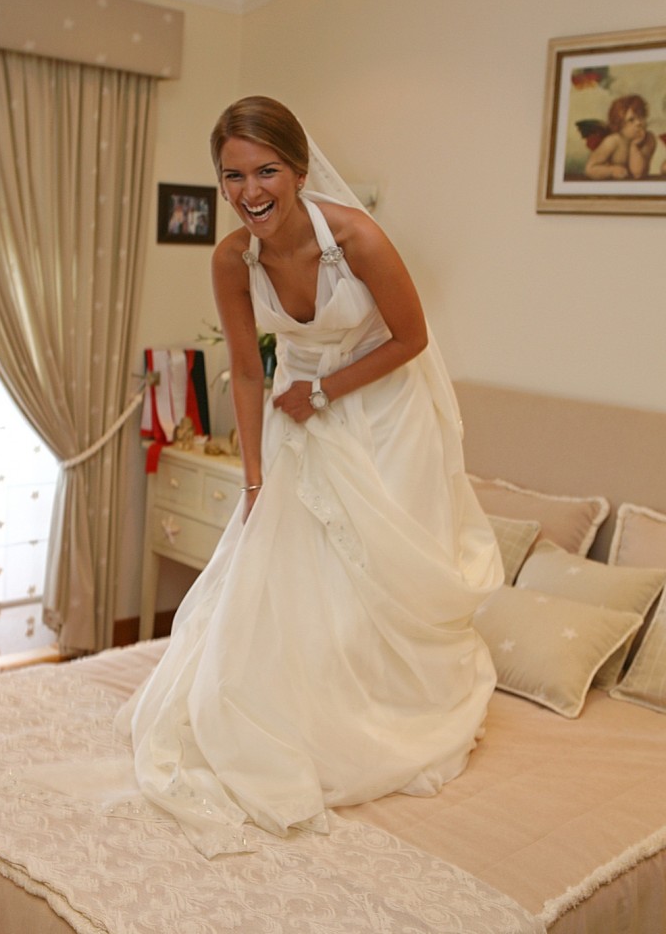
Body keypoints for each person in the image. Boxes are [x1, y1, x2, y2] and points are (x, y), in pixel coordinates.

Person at [119, 95, 503, 859]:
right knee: (291, 563)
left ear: (298, 171)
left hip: (385, 411)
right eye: (233, 176)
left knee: (378, 566)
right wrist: (253, 477)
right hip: (298, 409)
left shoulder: (357, 238)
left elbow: (411, 338)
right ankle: (305, 709)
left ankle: (389, 709)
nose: (249, 191)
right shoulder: (231, 257)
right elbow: (246, 370)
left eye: (265, 171)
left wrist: (324, 391)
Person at [584, 94, 656, 180]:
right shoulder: (612, 141)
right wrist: (611, 171)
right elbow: (590, 169)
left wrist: (634, 146)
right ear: (619, 125)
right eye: (631, 120)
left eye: (641, 117)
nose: (638, 123)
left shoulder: (649, 139)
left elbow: (638, 173)